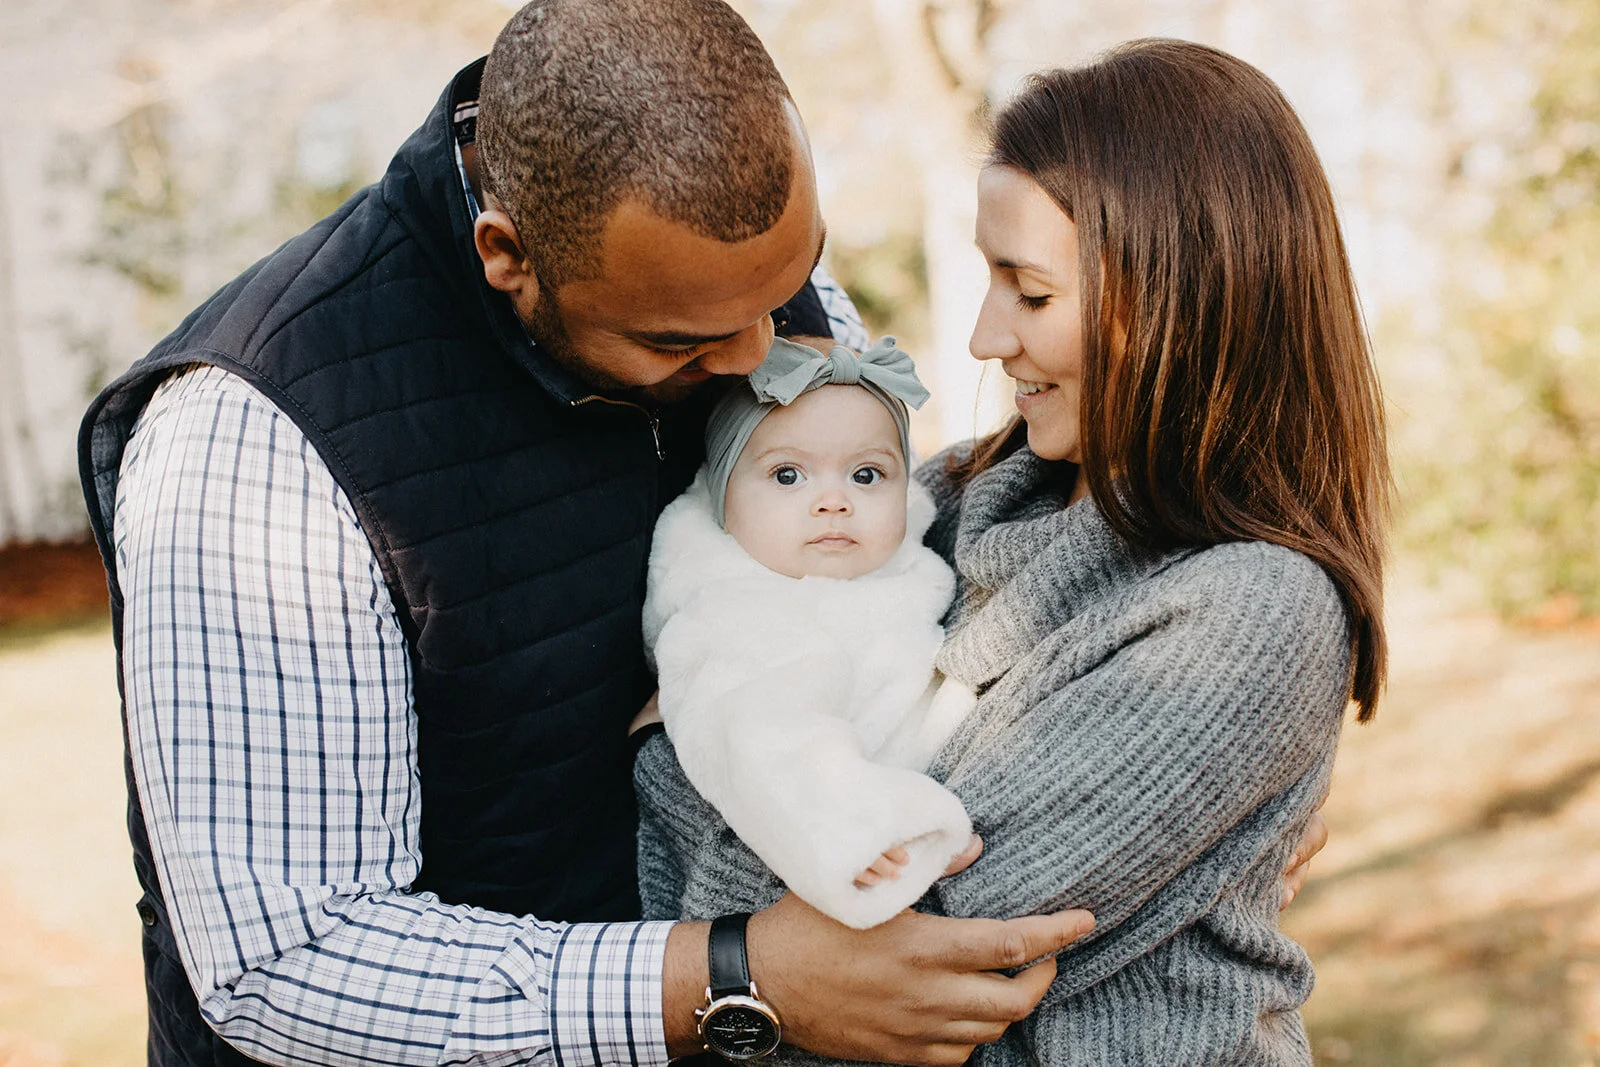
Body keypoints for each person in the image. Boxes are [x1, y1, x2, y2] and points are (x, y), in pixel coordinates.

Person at [77, 3, 1108, 1065]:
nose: (760, 353)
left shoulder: (734, 282)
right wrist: (736, 976)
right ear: (507, 254)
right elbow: (283, 961)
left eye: (790, 284)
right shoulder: (254, 442)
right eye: (683, 340)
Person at [633, 37, 1388, 1065]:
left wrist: (670, 745)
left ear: (1179, 304)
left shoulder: (1250, 613)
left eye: (1029, 294)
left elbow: (890, 950)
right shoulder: (941, 497)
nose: (985, 338)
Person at [638, 334, 977, 932]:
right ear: (721, 494)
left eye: (867, 475)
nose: (833, 501)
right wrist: (857, 824)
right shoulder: (730, 614)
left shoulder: (908, 565)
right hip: (797, 887)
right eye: (788, 475)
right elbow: (762, 743)